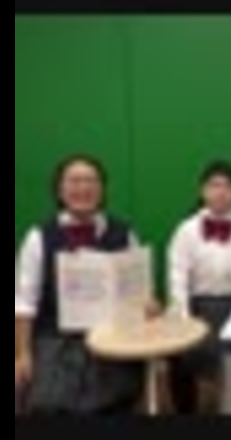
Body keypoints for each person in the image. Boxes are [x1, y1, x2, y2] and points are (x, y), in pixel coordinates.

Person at [14, 155, 146, 415]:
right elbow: (24, 303)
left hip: (111, 338)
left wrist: (146, 304)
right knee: (50, 403)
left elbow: (139, 295)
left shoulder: (125, 234)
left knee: (118, 399)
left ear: (102, 189)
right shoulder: (38, 237)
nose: (83, 188)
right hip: (56, 339)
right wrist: (22, 354)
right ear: (59, 190)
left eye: (91, 181)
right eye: (74, 181)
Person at [166, 160, 231, 415]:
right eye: (214, 185)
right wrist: (183, 318)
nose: (221, 192)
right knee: (178, 353)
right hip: (197, 307)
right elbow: (177, 275)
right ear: (203, 191)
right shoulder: (186, 230)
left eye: (227, 186)